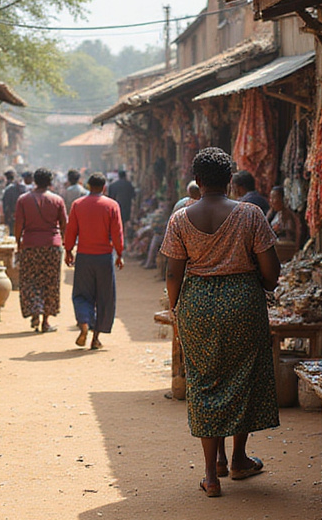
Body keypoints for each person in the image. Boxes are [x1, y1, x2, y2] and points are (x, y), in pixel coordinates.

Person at [161, 147, 281, 498]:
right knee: (244, 376)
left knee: (205, 380)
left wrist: (176, 306)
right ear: (230, 180)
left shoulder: (180, 219)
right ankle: (240, 458)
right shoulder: (251, 214)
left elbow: (172, 272)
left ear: (197, 181)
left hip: (197, 302)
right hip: (243, 301)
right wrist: (258, 283)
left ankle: (212, 474)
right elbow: (271, 272)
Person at [64, 173, 123, 349]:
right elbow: (117, 232)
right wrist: (120, 254)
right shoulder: (111, 205)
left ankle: (83, 324)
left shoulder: (78, 205)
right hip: (104, 257)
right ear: (104, 187)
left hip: (84, 256)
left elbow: (71, 230)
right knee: (104, 297)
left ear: (88, 186)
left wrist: (68, 250)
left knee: (82, 294)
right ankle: (95, 338)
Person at [14, 167, 67, 332]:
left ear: (35, 181)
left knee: (30, 280)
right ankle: (46, 321)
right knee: (50, 282)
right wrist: (66, 244)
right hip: (52, 245)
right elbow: (64, 225)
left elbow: (18, 225)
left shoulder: (23, 200)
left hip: (30, 245)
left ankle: (35, 313)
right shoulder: (57, 200)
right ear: (50, 182)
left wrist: (18, 242)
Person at [267, 185, 303, 250]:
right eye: (270, 198)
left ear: (283, 199)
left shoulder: (292, 215)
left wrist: (296, 249)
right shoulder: (277, 214)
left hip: (288, 250)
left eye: (274, 198)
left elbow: (298, 231)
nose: (271, 201)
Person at [107, 169, 135, 234]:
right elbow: (133, 195)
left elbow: (110, 197)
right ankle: (123, 234)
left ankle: (118, 234)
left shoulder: (113, 185)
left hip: (116, 206)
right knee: (124, 221)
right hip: (127, 206)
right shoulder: (129, 184)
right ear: (125, 176)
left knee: (117, 221)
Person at [1, 170, 23, 236]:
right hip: (21, 214)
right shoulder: (21, 187)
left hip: (11, 214)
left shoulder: (8, 189)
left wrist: (6, 216)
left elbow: (6, 204)